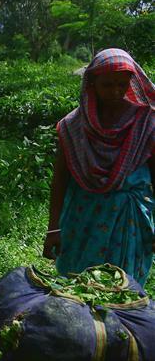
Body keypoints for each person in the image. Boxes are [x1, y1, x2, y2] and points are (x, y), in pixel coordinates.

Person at [44, 48, 155, 285]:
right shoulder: (72, 126)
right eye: (107, 85)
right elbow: (60, 179)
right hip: (83, 219)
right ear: (92, 84)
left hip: (130, 220)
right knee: (80, 285)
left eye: (121, 84)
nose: (115, 91)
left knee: (123, 289)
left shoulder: (145, 122)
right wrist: (53, 228)